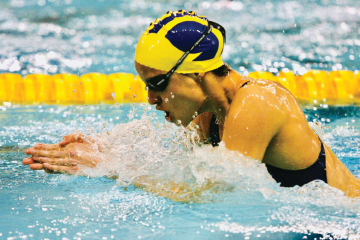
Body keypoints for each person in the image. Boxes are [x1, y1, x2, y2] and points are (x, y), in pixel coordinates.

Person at [23, 10, 360, 198]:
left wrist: (111, 167)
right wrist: (103, 149)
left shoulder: (258, 102)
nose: (151, 99)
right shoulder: (208, 116)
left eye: (157, 84)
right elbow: (187, 176)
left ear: (196, 74)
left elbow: (215, 196)